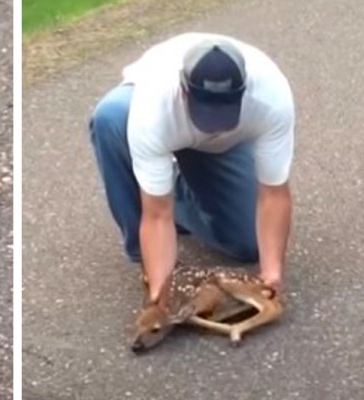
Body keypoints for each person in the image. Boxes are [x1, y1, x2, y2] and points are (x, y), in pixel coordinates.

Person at [87, 32, 294, 305]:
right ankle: (143, 251)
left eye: (224, 110)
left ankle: (177, 194)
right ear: (184, 91)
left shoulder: (272, 98)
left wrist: (271, 273)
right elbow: (157, 215)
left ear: (244, 91)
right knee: (109, 118)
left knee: (247, 244)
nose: (214, 123)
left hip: (223, 147)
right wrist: (161, 295)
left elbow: (274, 194)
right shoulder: (152, 108)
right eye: (207, 110)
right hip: (162, 125)